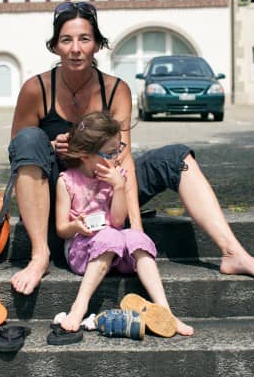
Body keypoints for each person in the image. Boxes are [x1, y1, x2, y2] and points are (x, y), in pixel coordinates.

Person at [9, 1, 254, 296]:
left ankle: (233, 253)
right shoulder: (36, 89)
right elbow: (20, 152)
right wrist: (51, 148)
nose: (75, 48)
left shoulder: (116, 90)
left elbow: (123, 156)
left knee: (178, 157)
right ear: (55, 47)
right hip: (60, 194)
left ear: (98, 45)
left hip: (108, 189)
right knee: (28, 140)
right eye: (66, 39)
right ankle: (40, 257)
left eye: (84, 39)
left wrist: (136, 228)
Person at [55, 111, 193, 336]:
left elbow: (118, 221)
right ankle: (79, 306)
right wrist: (75, 226)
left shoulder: (116, 175)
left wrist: (119, 187)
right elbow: (61, 229)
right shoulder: (67, 181)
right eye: (110, 153)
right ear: (86, 155)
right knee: (109, 236)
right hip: (82, 252)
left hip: (116, 250)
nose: (117, 157)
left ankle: (166, 312)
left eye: (118, 149)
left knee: (137, 237)